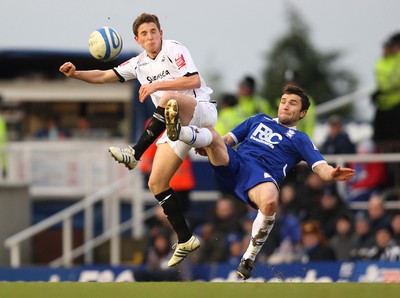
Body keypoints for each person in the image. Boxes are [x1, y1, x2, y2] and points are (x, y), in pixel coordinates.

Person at [59, 13, 217, 267]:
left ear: (161, 33)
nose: (150, 37)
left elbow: (194, 79)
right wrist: (75, 73)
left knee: (167, 98)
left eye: (153, 31)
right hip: (174, 122)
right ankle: (186, 239)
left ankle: (134, 153)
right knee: (156, 183)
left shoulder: (174, 48)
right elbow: (103, 76)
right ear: (137, 39)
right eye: (144, 34)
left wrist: (156, 86)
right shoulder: (139, 63)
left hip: (199, 109)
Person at [164, 84, 355, 279]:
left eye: (293, 104)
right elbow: (227, 139)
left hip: (260, 178)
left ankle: (249, 257)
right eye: (283, 102)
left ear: (303, 113)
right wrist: (210, 146)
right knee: (212, 134)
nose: (286, 106)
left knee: (271, 200)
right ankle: (178, 132)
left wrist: (331, 174)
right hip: (235, 164)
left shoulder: (300, 139)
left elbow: (320, 167)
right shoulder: (258, 119)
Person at [372, 32, 400, 151]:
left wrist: (383, 90)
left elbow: (393, 82)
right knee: (382, 140)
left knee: (395, 139)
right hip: (384, 104)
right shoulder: (380, 62)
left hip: (396, 103)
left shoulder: (394, 60)